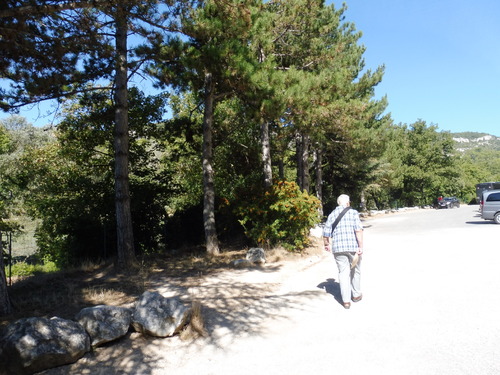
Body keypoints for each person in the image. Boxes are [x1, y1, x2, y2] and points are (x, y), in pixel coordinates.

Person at [322, 194, 364, 309]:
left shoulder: (332, 214)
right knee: (356, 270)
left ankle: (346, 301)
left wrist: (326, 244)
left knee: (343, 273)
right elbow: (358, 230)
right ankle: (356, 295)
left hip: (338, 248)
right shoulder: (353, 212)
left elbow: (326, 232)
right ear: (348, 203)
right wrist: (360, 246)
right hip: (353, 247)